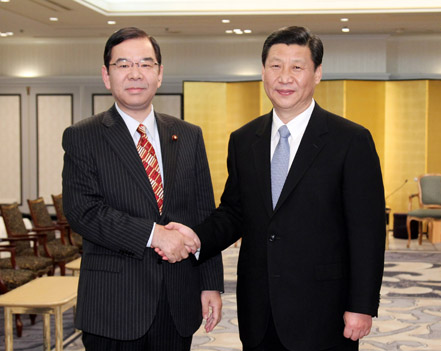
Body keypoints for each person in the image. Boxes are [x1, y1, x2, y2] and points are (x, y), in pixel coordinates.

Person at [165, 26, 386, 351]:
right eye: (275, 66)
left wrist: (362, 305)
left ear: (317, 73)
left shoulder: (350, 141)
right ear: (263, 72)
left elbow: (367, 232)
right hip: (260, 308)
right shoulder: (243, 140)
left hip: (325, 310)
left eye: (297, 67)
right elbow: (234, 213)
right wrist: (196, 239)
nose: (285, 77)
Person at [62, 27, 223, 351]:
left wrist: (210, 284)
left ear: (159, 74)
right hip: (113, 306)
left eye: (145, 64)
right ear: (107, 76)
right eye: (123, 64)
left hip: (177, 301)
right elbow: (83, 212)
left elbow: (205, 214)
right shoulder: (83, 136)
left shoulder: (188, 135)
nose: (135, 73)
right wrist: (154, 234)